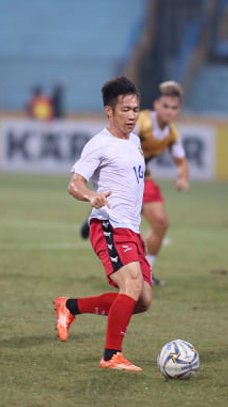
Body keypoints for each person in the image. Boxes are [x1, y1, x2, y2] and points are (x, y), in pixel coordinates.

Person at [55, 76, 151, 371]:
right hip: (109, 226)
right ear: (109, 111)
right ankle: (111, 355)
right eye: (125, 109)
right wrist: (91, 197)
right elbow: (74, 184)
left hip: (131, 230)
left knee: (142, 300)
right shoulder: (99, 144)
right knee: (132, 284)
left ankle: (70, 306)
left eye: (135, 109)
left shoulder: (134, 141)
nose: (132, 115)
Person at [80, 80, 189, 286]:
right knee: (153, 221)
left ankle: (147, 270)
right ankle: (99, 213)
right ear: (156, 105)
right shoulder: (141, 122)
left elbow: (182, 161)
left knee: (161, 224)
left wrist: (182, 176)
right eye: (166, 106)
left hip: (143, 179)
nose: (169, 112)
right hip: (127, 178)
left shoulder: (172, 133)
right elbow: (120, 142)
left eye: (174, 108)